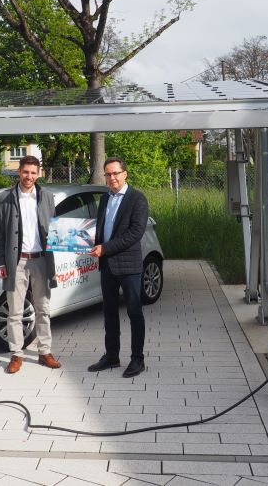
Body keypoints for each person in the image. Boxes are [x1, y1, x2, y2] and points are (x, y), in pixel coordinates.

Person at [0, 156, 61, 374]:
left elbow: (56, 230)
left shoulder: (48, 197)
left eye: (33, 173)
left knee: (43, 309)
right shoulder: (5, 198)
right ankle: (16, 354)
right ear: (18, 172)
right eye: (25, 172)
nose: (29, 176)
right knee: (15, 311)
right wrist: (0, 262)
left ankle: (44, 352)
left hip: (42, 259)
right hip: (17, 262)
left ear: (38, 174)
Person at [88, 157, 149, 378]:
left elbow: (135, 233)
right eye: (108, 174)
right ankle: (112, 356)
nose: (112, 178)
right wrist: (92, 244)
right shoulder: (105, 199)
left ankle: (137, 359)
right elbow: (102, 229)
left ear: (125, 174)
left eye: (116, 173)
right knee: (109, 313)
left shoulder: (137, 199)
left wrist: (105, 248)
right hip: (108, 266)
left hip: (129, 266)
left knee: (134, 312)